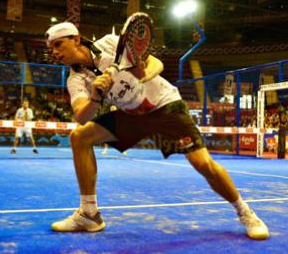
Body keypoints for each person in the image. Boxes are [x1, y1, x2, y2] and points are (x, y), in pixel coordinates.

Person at [45, 21, 269, 240]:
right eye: (50, 48)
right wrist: (96, 96)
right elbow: (82, 116)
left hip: (164, 106)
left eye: (58, 44)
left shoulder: (111, 44)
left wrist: (141, 76)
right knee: (80, 136)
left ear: (75, 39)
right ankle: (89, 214)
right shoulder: (76, 79)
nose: (54, 52)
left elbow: (156, 64)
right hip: (132, 115)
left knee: (203, 164)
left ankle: (246, 212)